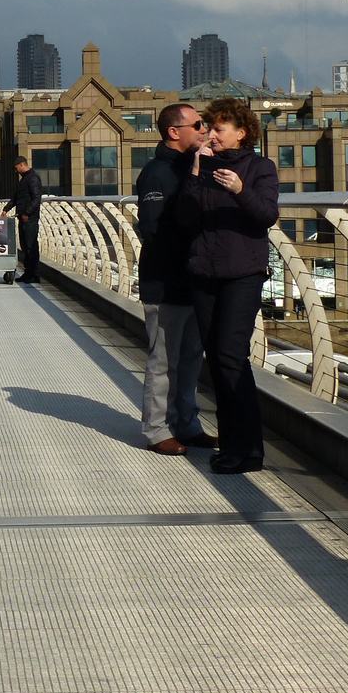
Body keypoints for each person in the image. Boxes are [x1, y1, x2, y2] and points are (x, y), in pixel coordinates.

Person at [174, 97, 279, 475]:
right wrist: (196, 172)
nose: (212, 135)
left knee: (232, 356)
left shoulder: (259, 167)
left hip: (242, 274)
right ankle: (231, 443)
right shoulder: (201, 167)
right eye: (209, 128)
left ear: (242, 132)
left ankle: (249, 450)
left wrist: (239, 189)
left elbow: (266, 215)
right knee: (215, 360)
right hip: (204, 272)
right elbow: (185, 219)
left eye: (219, 129)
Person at [135, 104, 217, 456]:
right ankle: (156, 429)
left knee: (190, 358)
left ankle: (188, 423)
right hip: (166, 280)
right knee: (164, 359)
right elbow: (154, 231)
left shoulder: (194, 168)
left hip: (194, 280)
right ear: (174, 131)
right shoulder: (157, 173)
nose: (204, 129)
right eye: (198, 124)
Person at [2, 156, 43, 283]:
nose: (15, 171)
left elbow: (37, 198)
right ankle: (28, 273)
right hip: (23, 217)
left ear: (21, 165)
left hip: (30, 218)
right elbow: (16, 197)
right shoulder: (24, 179)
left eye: (15, 168)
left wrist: (27, 213)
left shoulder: (33, 178)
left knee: (31, 246)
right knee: (25, 246)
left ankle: (33, 274)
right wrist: (6, 208)